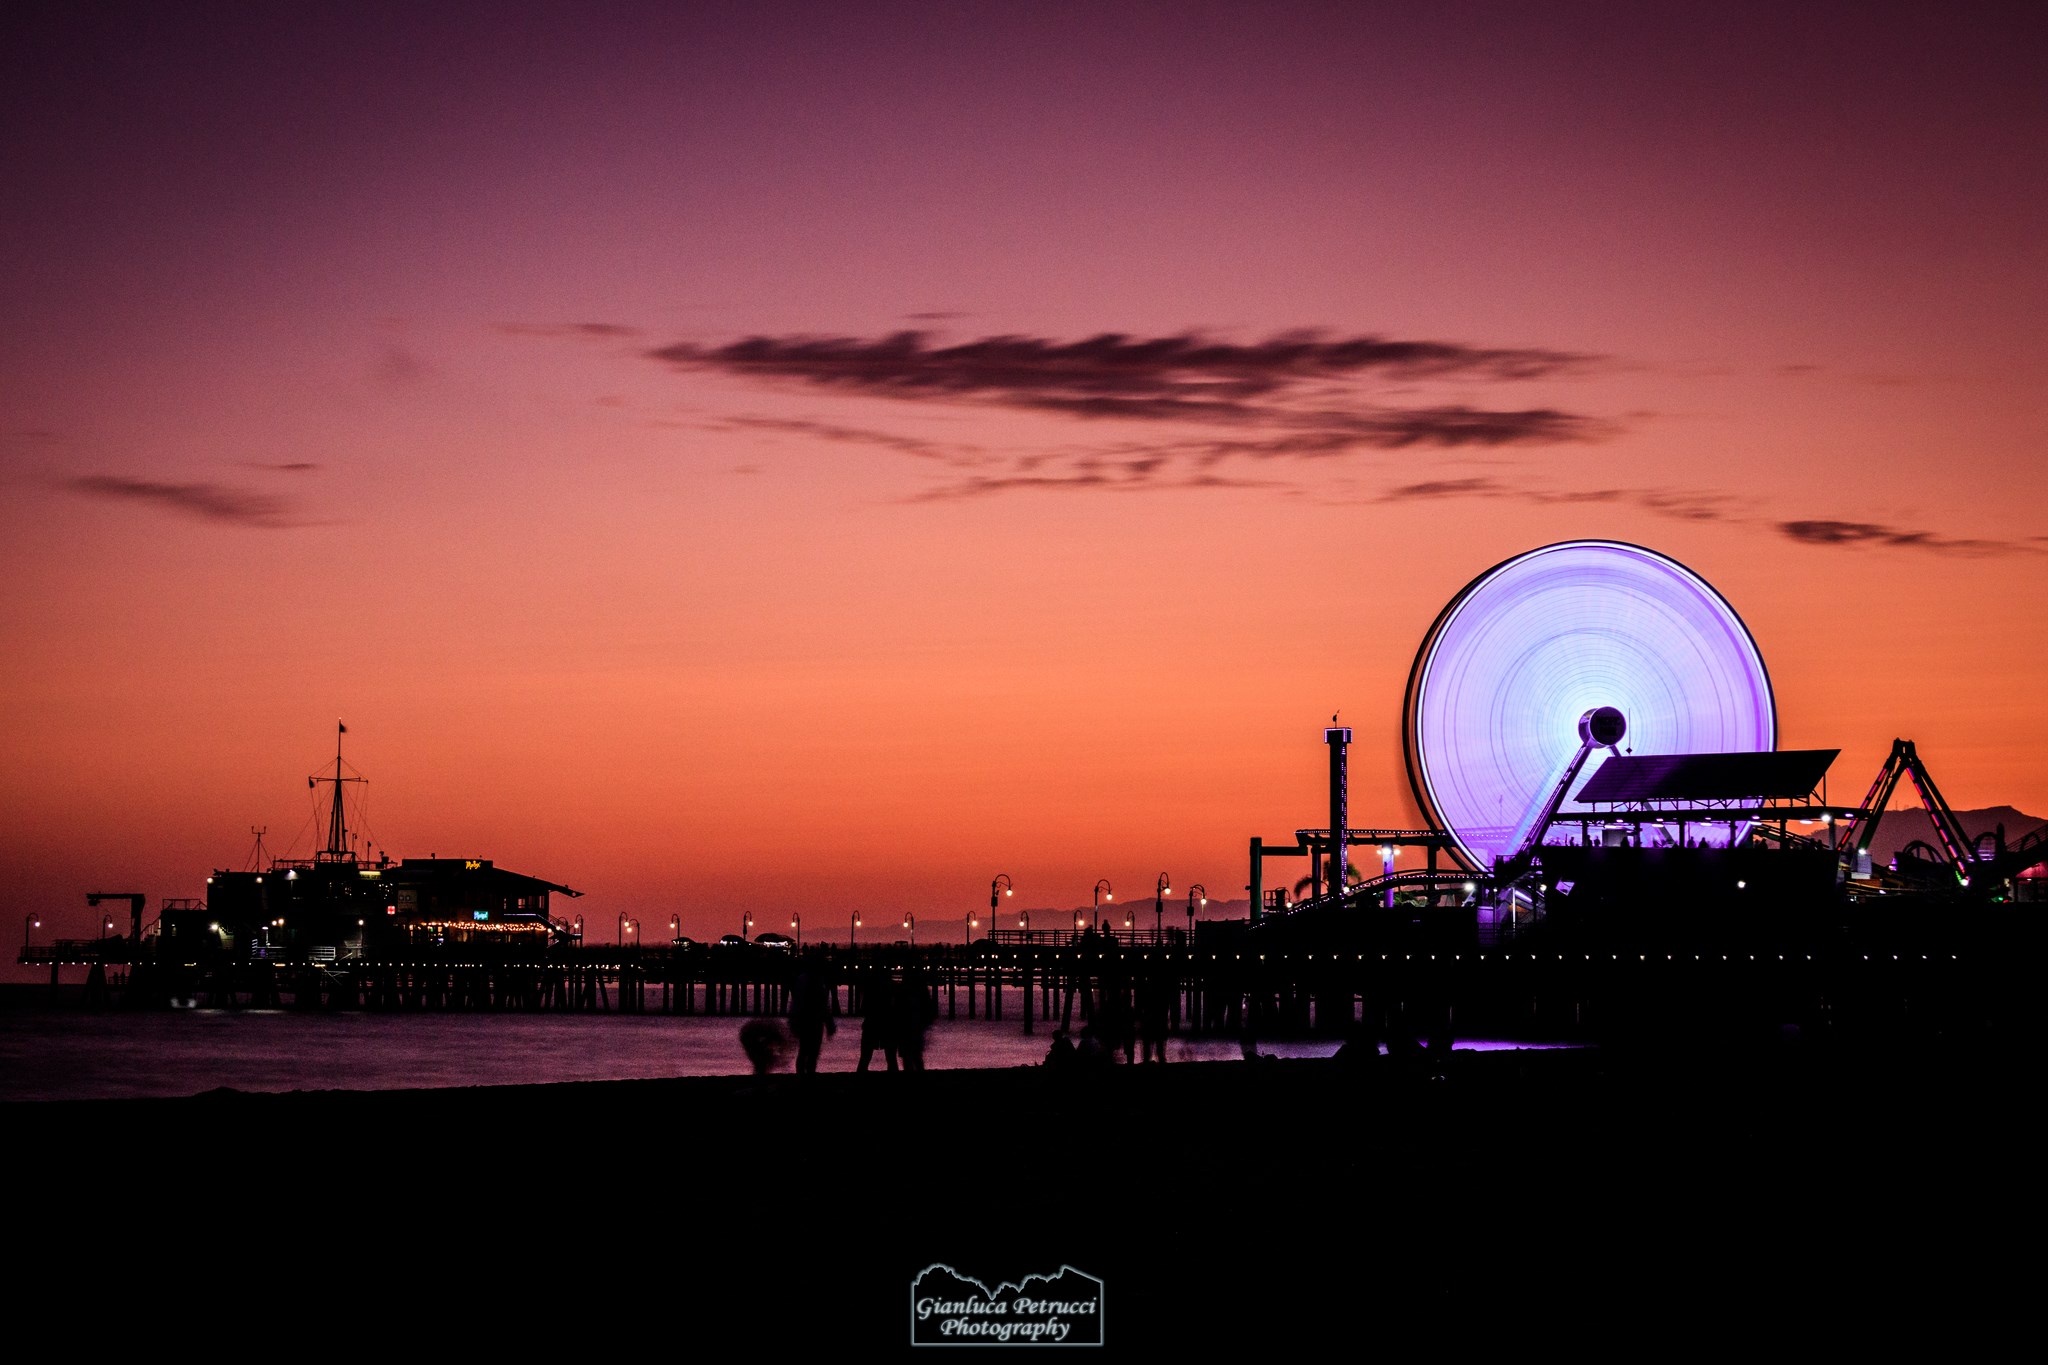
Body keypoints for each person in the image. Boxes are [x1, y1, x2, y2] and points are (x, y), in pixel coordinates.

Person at [788, 964, 836, 1075]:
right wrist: (829, 1024)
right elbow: (824, 1004)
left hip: (805, 1020)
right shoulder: (818, 981)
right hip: (814, 1021)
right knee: (812, 1052)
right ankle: (809, 1073)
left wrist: (793, 1021)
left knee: (804, 1051)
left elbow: (796, 1002)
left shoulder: (802, 979)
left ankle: (801, 1074)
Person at [897, 966, 938, 1072]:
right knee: (916, 1056)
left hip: (905, 1027)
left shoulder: (902, 991)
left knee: (908, 1056)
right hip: (916, 1026)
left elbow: (898, 1009)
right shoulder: (922, 991)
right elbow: (930, 1010)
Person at [858, 971, 898, 1073]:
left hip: (871, 1025)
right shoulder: (892, 988)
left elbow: (863, 1009)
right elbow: (896, 1009)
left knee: (865, 1058)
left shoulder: (870, 989)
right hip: (889, 1025)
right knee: (891, 1058)